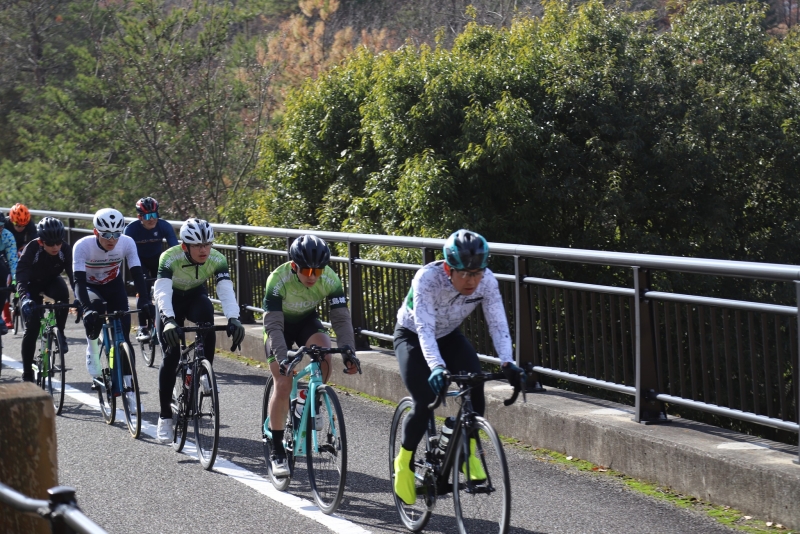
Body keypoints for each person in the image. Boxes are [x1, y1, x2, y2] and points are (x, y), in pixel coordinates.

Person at [391, 229, 526, 505]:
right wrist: (437, 367)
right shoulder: (427, 279)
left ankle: (467, 453)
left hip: (449, 335)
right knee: (425, 400)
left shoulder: (487, 281)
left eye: (477, 273)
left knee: (475, 386)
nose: (472, 280)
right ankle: (404, 461)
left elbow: (498, 323)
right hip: (412, 335)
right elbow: (424, 329)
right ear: (448, 269)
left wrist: (508, 362)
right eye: (464, 273)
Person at [261, 234, 360, 477]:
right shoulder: (278, 279)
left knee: (325, 352)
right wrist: (283, 359)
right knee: (283, 382)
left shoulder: (330, 279)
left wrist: (349, 352)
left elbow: (341, 319)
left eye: (318, 270)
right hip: (279, 327)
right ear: (294, 266)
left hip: (306, 321)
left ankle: (312, 402)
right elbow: (273, 326)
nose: (312, 276)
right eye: (306, 270)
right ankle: (277, 450)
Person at [153, 218, 245, 442]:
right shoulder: (169, 257)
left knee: (206, 318)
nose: (204, 250)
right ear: (185, 246)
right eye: (197, 246)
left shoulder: (217, 259)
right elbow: (163, 292)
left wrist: (234, 318)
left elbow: (225, 290)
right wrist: (168, 320)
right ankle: (165, 416)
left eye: (207, 244)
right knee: (171, 354)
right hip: (171, 301)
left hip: (195, 296)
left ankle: (204, 371)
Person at [73, 208, 154, 411]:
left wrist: (145, 300)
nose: (112, 239)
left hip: (113, 285)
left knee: (124, 336)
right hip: (90, 286)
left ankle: (130, 389)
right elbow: (79, 283)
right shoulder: (82, 246)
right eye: (106, 234)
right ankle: (92, 349)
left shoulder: (127, 242)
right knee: (96, 310)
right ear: (96, 232)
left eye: (116, 234)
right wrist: (86, 308)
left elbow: (137, 273)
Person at [16, 217, 75, 382]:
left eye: (58, 242)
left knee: (63, 295)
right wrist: (24, 298)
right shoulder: (32, 249)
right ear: (41, 242)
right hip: (31, 285)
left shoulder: (65, 250)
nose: (55, 247)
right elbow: (21, 276)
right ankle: (27, 373)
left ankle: (60, 332)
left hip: (51, 281)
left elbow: (74, 277)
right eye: (50, 243)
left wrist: (79, 298)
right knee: (32, 328)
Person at [123, 197, 178, 341]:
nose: (152, 219)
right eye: (147, 216)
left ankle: (166, 320)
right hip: (138, 261)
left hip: (156, 260)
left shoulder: (164, 226)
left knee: (166, 286)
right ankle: (142, 327)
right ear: (139, 217)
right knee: (143, 290)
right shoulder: (131, 229)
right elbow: (126, 252)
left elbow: (174, 249)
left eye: (154, 215)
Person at [2, 204, 36, 327]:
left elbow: (35, 242)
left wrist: (25, 248)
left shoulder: (30, 225)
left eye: (23, 225)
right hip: (6, 250)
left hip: (21, 248)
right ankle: (6, 313)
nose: (21, 228)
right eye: (18, 225)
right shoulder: (5, 225)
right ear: (11, 221)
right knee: (6, 277)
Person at [0, 213, 19, 334]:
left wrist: (15, 280)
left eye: (1, 226)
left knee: (4, 275)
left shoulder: (7, 235)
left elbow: (13, 260)